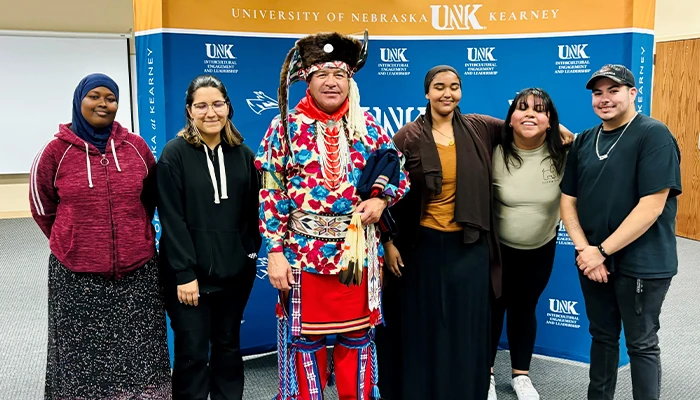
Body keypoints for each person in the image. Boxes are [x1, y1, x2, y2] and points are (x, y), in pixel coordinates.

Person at [378, 66, 574, 400]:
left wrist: (559, 130)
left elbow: (525, 126)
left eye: (454, 87)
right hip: (419, 243)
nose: (447, 93)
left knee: (466, 322)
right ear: (427, 93)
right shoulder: (407, 136)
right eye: (439, 87)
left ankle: (469, 384)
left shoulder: (479, 127)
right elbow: (386, 193)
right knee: (420, 320)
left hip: (468, 244)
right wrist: (388, 242)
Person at [255, 30, 409, 400]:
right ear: (307, 79)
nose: (331, 82)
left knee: (356, 339)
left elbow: (398, 172)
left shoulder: (367, 127)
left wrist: (381, 201)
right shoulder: (283, 128)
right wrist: (274, 252)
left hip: (355, 257)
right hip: (300, 257)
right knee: (305, 344)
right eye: (322, 74)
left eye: (339, 74)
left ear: (349, 81)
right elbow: (270, 193)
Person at [29, 73, 171, 399]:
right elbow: (42, 208)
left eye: (111, 98)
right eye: (94, 96)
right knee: (83, 356)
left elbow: (149, 199)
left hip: (138, 272)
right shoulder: (54, 152)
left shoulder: (135, 148)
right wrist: (75, 242)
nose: (103, 104)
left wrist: (131, 236)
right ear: (80, 101)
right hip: (78, 277)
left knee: (138, 352)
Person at [560, 64, 681, 400]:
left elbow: (651, 207)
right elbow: (567, 202)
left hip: (642, 261)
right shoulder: (584, 140)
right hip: (592, 261)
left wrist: (601, 251)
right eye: (598, 93)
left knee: (641, 344)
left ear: (632, 93)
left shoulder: (653, 135)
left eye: (613, 91)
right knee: (601, 336)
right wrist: (586, 251)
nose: (604, 99)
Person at [157, 74, 261, 400]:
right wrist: (184, 273)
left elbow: (254, 213)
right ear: (189, 111)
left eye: (217, 104)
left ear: (228, 107)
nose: (210, 112)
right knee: (192, 353)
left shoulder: (243, 154)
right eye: (201, 105)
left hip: (234, 275)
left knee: (229, 347)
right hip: (190, 280)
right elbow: (171, 219)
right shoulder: (174, 154)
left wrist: (248, 253)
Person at [488, 88, 569, 400]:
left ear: (551, 121)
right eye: (522, 109)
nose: (530, 114)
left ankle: (521, 376)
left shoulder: (564, 154)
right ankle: (487, 375)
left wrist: (566, 135)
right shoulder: (493, 151)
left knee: (525, 309)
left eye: (539, 110)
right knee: (493, 310)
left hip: (540, 249)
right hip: (497, 250)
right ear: (510, 119)